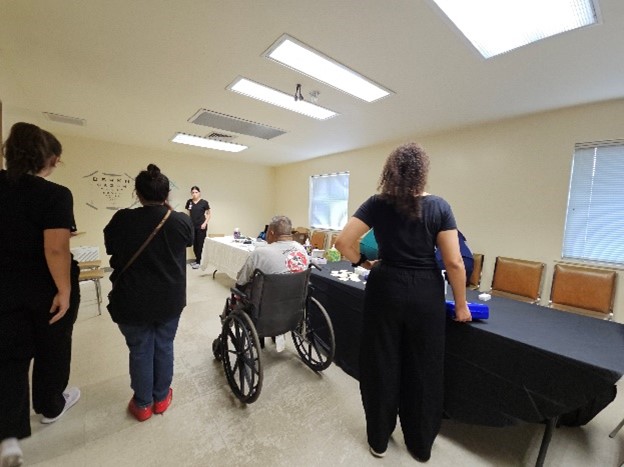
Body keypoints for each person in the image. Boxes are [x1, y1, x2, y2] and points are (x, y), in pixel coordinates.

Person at [335, 142, 471, 462]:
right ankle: (420, 445)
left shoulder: (377, 204)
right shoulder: (439, 207)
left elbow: (343, 242)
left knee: (380, 363)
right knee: (424, 368)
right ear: (422, 173)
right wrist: (462, 305)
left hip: (385, 287)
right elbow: (454, 263)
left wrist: (362, 263)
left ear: (391, 172)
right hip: (426, 292)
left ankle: (379, 441)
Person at [0, 123, 81, 467]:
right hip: (45, 288)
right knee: (53, 347)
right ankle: (50, 406)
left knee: (8, 358)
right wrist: (63, 289)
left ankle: (8, 438)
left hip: (4, 287)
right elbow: (56, 250)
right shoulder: (54, 194)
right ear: (46, 158)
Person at [104, 164, 193, 422]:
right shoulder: (180, 220)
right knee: (164, 346)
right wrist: (169, 209)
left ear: (138, 193)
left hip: (131, 300)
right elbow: (186, 241)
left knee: (140, 349)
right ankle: (162, 397)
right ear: (167, 194)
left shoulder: (121, 219)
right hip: (169, 299)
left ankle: (143, 404)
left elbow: (111, 247)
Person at [235, 215, 309, 351]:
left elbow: (241, 281)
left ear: (271, 233)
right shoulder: (301, 249)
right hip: (294, 309)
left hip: (265, 312)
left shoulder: (260, 253)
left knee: (238, 292)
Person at [185, 186, 210, 269]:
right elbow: (189, 214)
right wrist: (189, 223)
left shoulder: (204, 203)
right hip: (192, 226)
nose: (194, 194)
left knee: (200, 244)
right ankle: (197, 260)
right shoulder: (189, 202)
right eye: (193, 192)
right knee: (194, 243)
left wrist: (205, 223)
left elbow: (209, 214)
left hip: (201, 226)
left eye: (196, 192)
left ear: (199, 193)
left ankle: (200, 261)